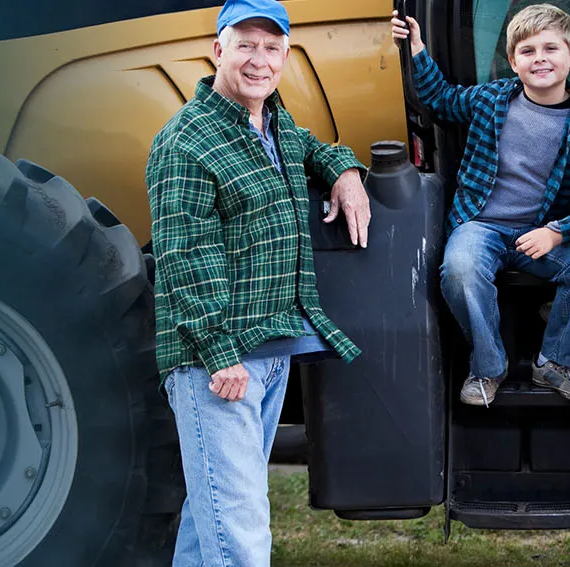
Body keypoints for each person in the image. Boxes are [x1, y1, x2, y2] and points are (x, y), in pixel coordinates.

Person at [144, 0, 371, 564]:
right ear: (218, 50)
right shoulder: (187, 141)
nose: (259, 59)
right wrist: (219, 355)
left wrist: (343, 170)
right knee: (240, 535)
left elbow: (309, 147)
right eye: (245, 44)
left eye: (271, 47)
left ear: (285, 55)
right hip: (217, 362)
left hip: (268, 353)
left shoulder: (272, 123)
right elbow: (183, 257)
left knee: (210, 523)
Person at [392, 4, 570, 406]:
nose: (540, 59)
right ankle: (487, 367)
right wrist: (416, 50)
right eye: (528, 51)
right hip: (483, 225)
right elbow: (442, 100)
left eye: (550, 48)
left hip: (543, 232)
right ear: (513, 61)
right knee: (460, 267)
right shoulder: (492, 101)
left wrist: (558, 231)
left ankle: (555, 363)